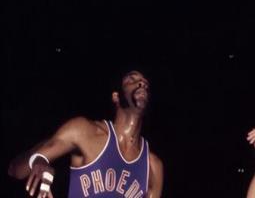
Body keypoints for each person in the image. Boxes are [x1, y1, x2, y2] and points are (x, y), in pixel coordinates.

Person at [8, 70, 163, 198]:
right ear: (116, 97)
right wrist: (38, 160)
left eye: (145, 82)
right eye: (132, 79)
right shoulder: (84, 131)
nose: (142, 83)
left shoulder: (153, 167)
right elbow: (14, 169)